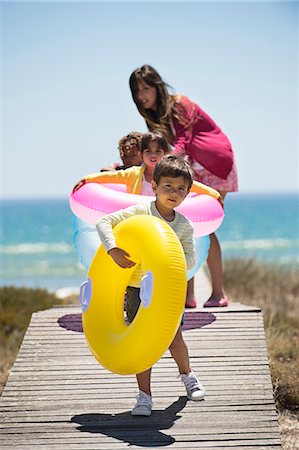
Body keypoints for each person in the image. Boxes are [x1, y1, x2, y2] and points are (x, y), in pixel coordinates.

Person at [96, 155, 205, 416]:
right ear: (154, 186)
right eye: (168, 186)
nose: (174, 193)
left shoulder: (184, 226)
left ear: (187, 193)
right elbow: (104, 222)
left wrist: (169, 252)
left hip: (167, 292)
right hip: (137, 290)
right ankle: (144, 396)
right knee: (141, 341)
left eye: (181, 189)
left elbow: (190, 259)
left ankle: (188, 376)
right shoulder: (141, 212)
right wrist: (113, 249)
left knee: (174, 339)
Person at [129, 64, 238, 308]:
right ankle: (188, 297)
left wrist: (163, 162)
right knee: (183, 222)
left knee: (204, 225)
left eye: (146, 88)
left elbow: (182, 142)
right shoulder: (153, 115)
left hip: (214, 164)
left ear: (157, 86)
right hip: (190, 166)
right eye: (137, 91)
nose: (142, 95)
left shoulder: (179, 103)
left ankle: (218, 293)